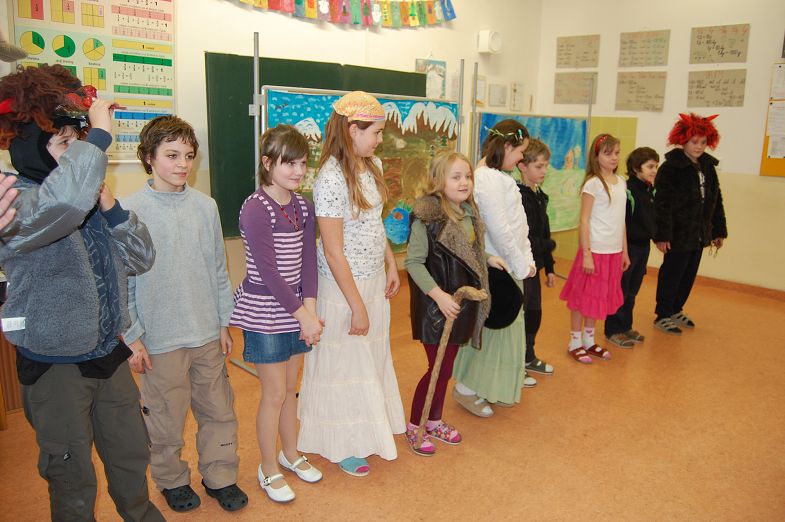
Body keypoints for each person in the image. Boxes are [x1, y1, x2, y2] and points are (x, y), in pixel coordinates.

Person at [0, 64, 163, 521]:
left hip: (107, 352)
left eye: (79, 143)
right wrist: (99, 138)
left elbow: (142, 257)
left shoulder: (86, 200)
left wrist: (111, 207)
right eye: (62, 145)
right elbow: (65, 203)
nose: (74, 154)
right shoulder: (20, 202)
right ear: (32, 150)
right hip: (55, 363)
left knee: (130, 453)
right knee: (71, 473)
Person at [122, 115, 248, 513]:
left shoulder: (205, 206)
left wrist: (224, 322)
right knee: (164, 418)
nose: (183, 164)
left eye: (189, 156)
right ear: (149, 157)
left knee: (219, 411)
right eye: (172, 155)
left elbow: (217, 268)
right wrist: (132, 335)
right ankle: (171, 479)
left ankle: (220, 475)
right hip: (159, 338)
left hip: (206, 333)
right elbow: (123, 281)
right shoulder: (129, 210)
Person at [297, 91, 405, 477]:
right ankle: (342, 442)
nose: (379, 140)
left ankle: (368, 429)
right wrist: (357, 305)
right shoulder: (330, 178)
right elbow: (332, 251)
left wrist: (390, 263)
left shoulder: (371, 164)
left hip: (372, 279)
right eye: (375, 132)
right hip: (345, 288)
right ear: (352, 130)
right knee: (344, 365)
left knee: (369, 359)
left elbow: (375, 223)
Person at [229, 124, 323, 502]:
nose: (298, 172)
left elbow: (309, 263)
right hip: (266, 311)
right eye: (289, 164)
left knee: (289, 389)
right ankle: (268, 467)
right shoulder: (256, 207)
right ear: (268, 163)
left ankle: (291, 453)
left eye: (302, 164)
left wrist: (310, 310)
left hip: (297, 309)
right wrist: (304, 316)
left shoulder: (303, 206)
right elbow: (268, 273)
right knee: (273, 393)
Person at [404, 151, 506, 455]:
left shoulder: (468, 213)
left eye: (468, 176)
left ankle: (433, 421)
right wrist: (439, 296)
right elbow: (413, 263)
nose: (464, 182)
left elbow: (468, 252)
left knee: (445, 368)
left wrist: (489, 258)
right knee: (435, 368)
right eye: (456, 177)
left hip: (459, 305)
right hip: (435, 307)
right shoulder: (427, 217)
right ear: (438, 181)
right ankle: (415, 425)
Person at [451, 119, 536, 416]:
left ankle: (486, 385)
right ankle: (467, 389)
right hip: (499, 265)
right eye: (520, 152)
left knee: (504, 331)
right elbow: (500, 230)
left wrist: (527, 260)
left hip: (510, 264)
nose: (521, 158)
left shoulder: (498, 177)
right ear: (507, 146)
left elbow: (518, 227)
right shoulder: (487, 178)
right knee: (494, 330)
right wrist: (520, 265)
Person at [560, 133, 631, 364]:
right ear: (596, 156)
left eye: (616, 153)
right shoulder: (593, 183)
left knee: (599, 297)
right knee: (583, 297)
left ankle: (589, 340)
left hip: (613, 252)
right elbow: (584, 221)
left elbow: (621, 221)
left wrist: (624, 251)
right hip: (594, 251)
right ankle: (575, 342)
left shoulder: (621, 182)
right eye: (607, 153)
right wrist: (587, 254)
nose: (613, 157)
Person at [653, 113, 727, 335]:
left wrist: (718, 230)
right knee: (672, 273)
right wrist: (662, 235)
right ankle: (663, 314)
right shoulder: (670, 168)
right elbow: (662, 204)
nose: (699, 147)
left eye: (703, 142)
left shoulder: (708, 167)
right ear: (683, 141)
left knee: (688, 275)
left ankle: (676, 309)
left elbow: (716, 200)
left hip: (699, 233)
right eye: (694, 142)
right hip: (678, 234)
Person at [604, 147, 659, 347]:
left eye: (656, 166)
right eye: (650, 166)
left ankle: (626, 326)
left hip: (643, 248)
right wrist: (623, 251)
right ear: (636, 168)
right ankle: (613, 330)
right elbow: (622, 223)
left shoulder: (650, 189)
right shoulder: (627, 190)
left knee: (632, 290)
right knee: (620, 289)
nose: (654, 171)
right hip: (628, 248)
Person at [517, 139, 557, 375]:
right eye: (538, 166)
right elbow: (529, 239)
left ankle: (528, 356)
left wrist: (549, 267)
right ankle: (516, 364)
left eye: (545, 166)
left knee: (534, 313)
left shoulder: (539, 195)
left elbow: (544, 232)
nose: (543, 171)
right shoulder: (519, 197)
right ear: (523, 166)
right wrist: (549, 245)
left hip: (536, 266)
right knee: (521, 315)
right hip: (522, 267)